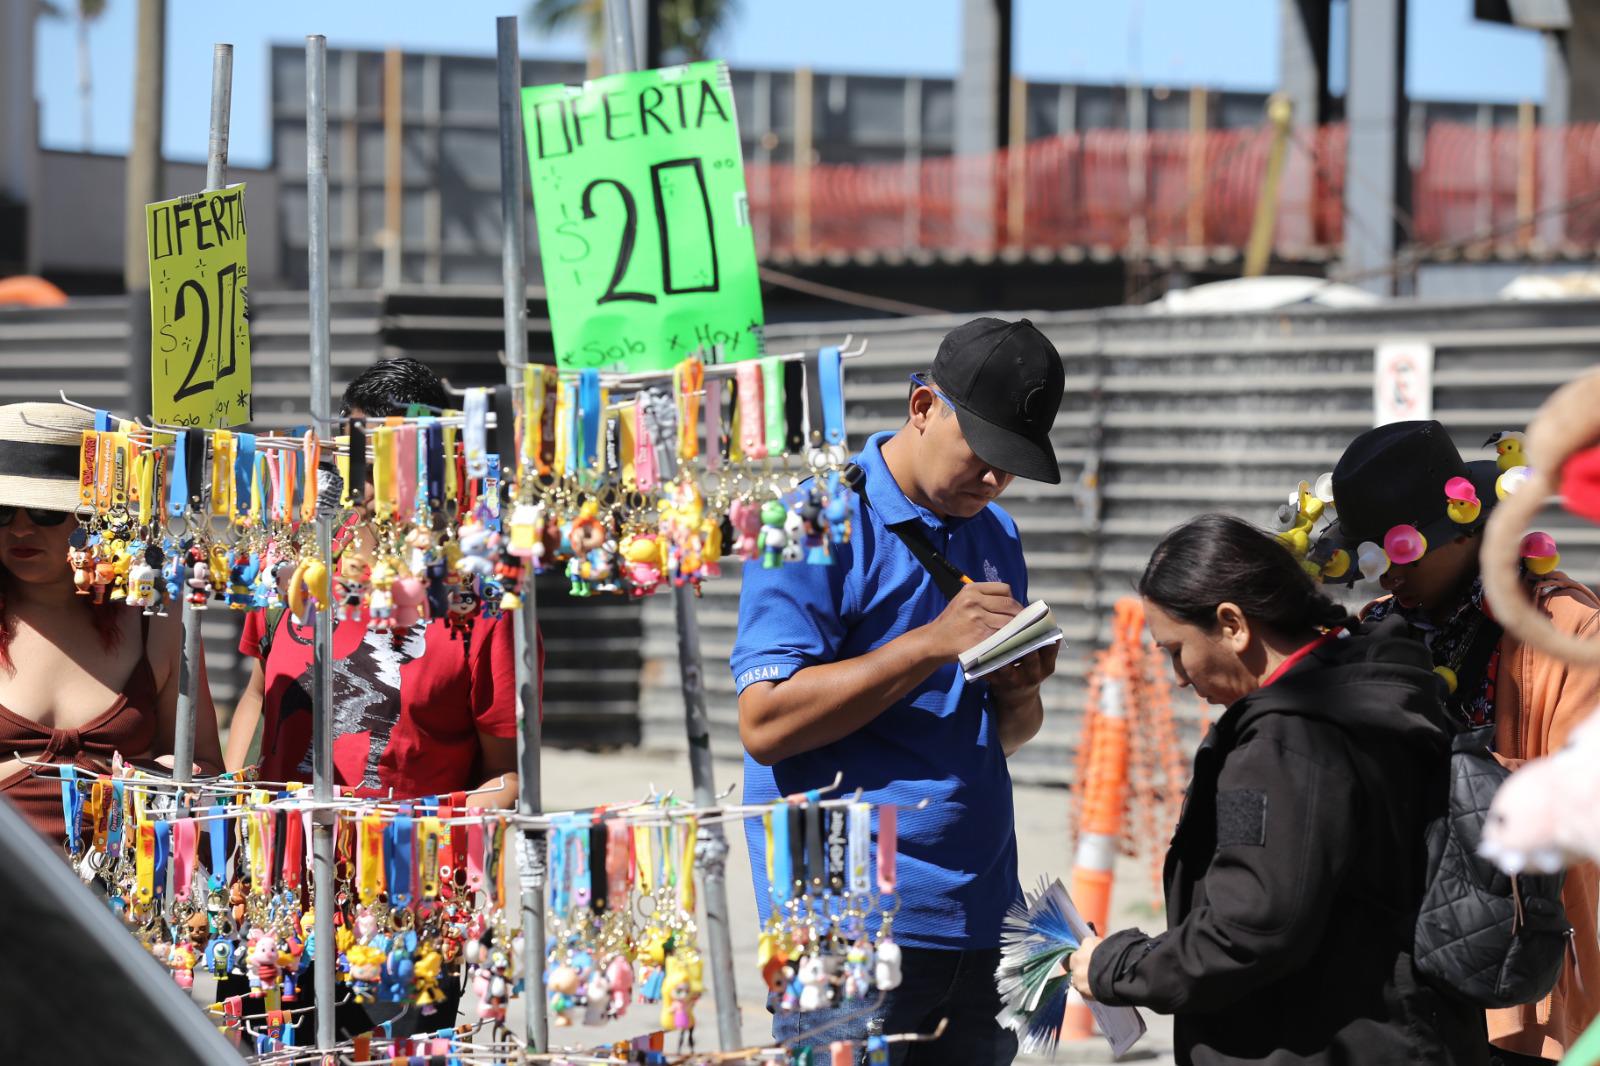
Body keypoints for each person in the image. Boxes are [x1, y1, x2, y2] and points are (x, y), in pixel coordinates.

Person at [730, 318, 1066, 1063]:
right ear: (923, 407)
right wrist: (930, 642)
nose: (993, 480)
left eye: (1011, 467)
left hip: (982, 915)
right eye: (982, 454)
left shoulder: (998, 532)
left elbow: (986, 738)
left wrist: (1019, 692)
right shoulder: (805, 516)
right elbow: (764, 722)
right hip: (846, 922)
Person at [1069, 513, 1486, 1066]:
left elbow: (1247, 929)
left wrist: (1114, 967)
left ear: (1233, 624)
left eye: (1175, 650)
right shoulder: (1377, 683)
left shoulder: (1286, 740)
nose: (1179, 677)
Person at [221, 357, 536, 1038]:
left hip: (399, 912)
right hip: (273, 891)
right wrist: (230, 809)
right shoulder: (301, 565)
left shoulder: (474, 595)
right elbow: (255, 696)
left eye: (390, 446)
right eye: (356, 444)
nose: (369, 469)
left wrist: (420, 838)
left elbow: (507, 771)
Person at [1316, 420, 1600, 1066]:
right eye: (1375, 564)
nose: (1387, 581)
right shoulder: (1372, 635)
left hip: (1521, 988)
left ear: (1467, 527)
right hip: (1397, 986)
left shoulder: (1567, 629)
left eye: (1402, 557)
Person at [0, 402, 223, 840]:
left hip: (121, 895)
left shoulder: (156, 617)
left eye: (44, 512)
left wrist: (159, 780)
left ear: (94, 519)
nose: (20, 529)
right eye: (2, 512)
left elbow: (208, 768)